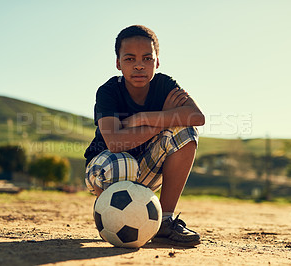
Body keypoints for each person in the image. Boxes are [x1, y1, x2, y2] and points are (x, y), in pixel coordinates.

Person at [84, 25, 205, 247]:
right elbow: (115, 142)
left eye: (147, 58)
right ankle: (111, 217)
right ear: (118, 63)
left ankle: (165, 222)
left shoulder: (164, 84)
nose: (139, 65)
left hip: (146, 168)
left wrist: (144, 118)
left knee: (186, 130)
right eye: (130, 59)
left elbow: (197, 117)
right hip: (105, 169)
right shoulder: (109, 91)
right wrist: (164, 118)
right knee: (123, 163)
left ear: (157, 61)